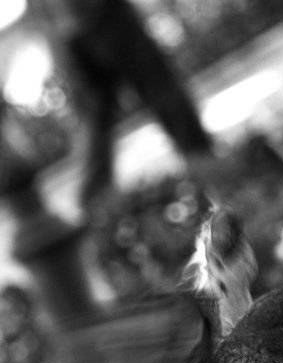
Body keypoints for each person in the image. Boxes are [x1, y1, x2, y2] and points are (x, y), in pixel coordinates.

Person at [24, 0, 214, 215]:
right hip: (93, 15)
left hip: (64, 23)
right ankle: (204, 160)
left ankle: (95, 204)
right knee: (155, 88)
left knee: (97, 115)